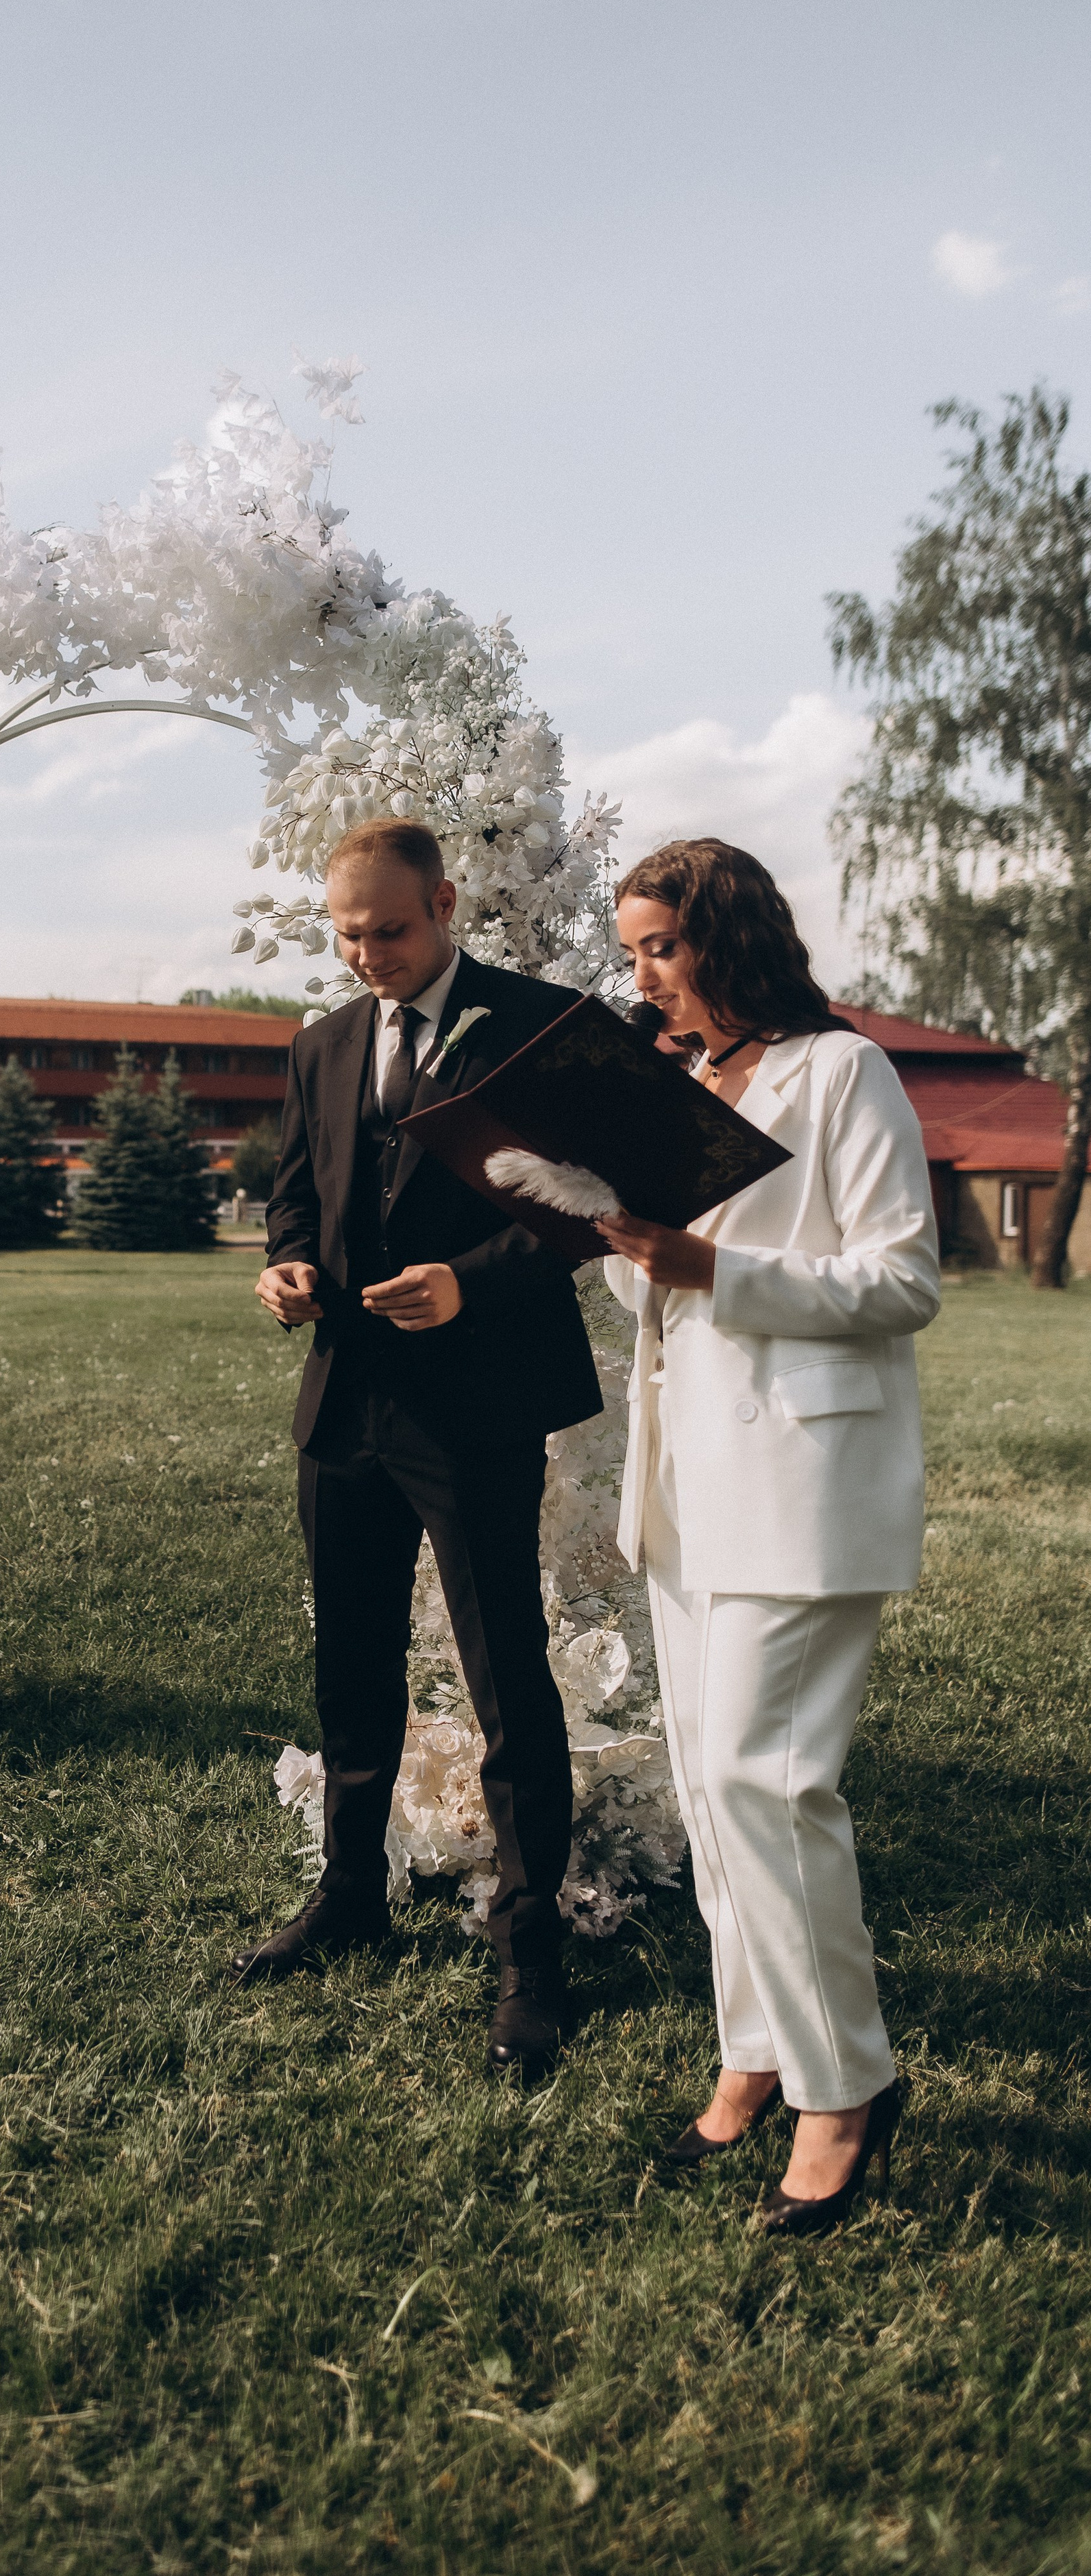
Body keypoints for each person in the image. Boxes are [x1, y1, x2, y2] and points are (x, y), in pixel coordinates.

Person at [598, 838, 939, 2234]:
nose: (641, 977)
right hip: (685, 1485)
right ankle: (751, 2047)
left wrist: (708, 1266)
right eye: (627, 953)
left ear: (725, 940)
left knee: (760, 1778)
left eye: (658, 949)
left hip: (802, 1484)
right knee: (701, 1784)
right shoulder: (673, 1090)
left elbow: (901, 1276)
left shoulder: (840, 1072)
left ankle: (842, 2083)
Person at [238, 818, 604, 2077]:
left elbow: (589, 1204)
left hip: (481, 1401)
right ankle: (350, 1895)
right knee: (350, 1659)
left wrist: (470, 1281)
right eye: (345, 933)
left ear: (445, 905)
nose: (366, 954)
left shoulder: (540, 1023)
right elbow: (296, 1188)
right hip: (347, 1403)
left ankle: (528, 1955)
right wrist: (285, 1264)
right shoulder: (322, 1042)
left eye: (388, 930)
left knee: (508, 1672)